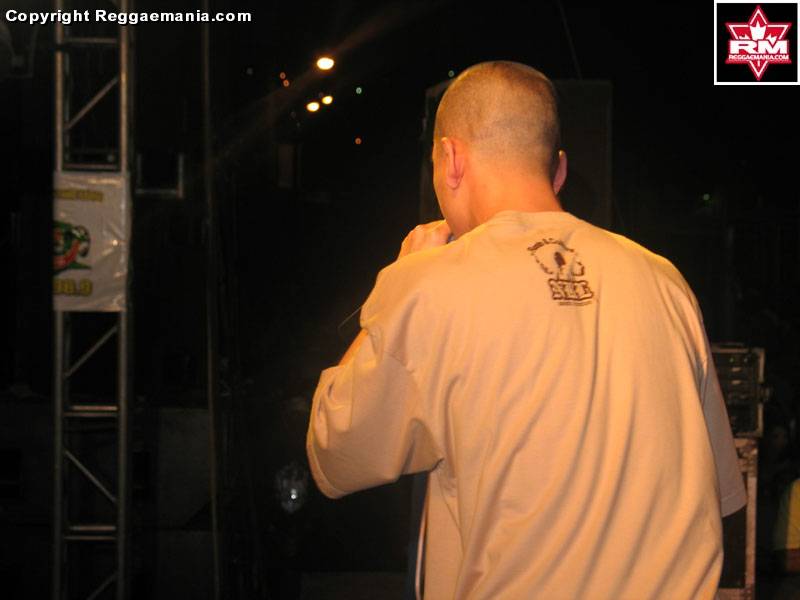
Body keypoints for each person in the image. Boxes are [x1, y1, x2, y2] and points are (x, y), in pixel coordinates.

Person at [306, 61, 746, 599]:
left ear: (451, 160)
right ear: (558, 171)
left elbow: (334, 454)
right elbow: (719, 493)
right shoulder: (666, 281)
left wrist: (396, 286)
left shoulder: (427, 286)